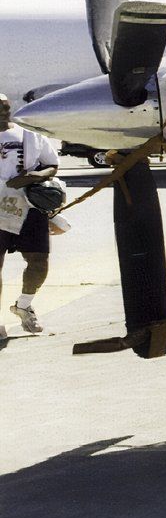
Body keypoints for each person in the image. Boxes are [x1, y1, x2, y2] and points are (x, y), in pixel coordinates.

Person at [0, 93, 59, 339]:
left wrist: (34, 177)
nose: (3, 111)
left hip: (29, 208)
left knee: (39, 263)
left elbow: (52, 165)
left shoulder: (31, 135)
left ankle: (23, 306)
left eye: (5, 107)